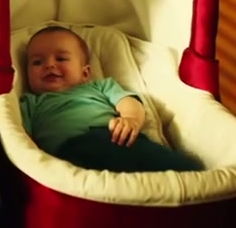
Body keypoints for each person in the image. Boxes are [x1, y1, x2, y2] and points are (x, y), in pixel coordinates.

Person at [19, 25, 202, 173]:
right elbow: (22, 138)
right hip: (70, 153)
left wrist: (130, 119)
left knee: (180, 166)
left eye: (61, 58)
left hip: (118, 139)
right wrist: (38, 159)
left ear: (85, 73)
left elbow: (128, 102)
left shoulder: (100, 86)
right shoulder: (31, 103)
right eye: (37, 62)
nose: (49, 65)